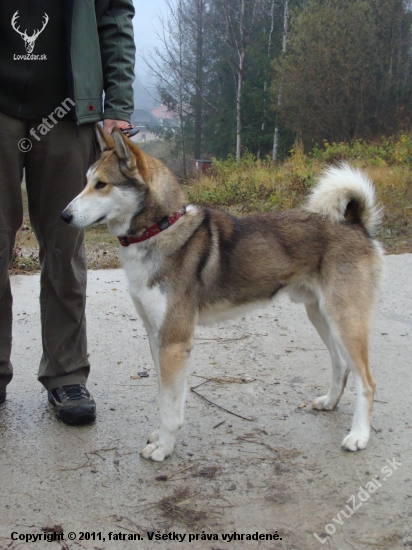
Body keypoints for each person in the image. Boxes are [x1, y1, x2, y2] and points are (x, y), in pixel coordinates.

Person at [0, 0, 136, 425]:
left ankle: (66, 374)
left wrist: (117, 103)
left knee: (64, 249)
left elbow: (114, 15)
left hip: (68, 111)